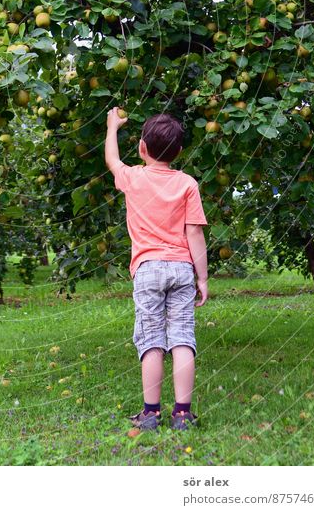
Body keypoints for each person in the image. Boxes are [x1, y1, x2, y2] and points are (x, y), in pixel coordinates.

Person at [105, 107, 208, 431]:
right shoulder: (188, 184)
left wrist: (112, 127)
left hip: (148, 269)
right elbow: (194, 233)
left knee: (151, 340)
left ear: (141, 148)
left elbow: (112, 161)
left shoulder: (134, 177)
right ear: (178, 152)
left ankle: (150, 413)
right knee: (182, 339)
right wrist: (202, 277)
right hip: (181, 269)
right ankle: (182, 413)